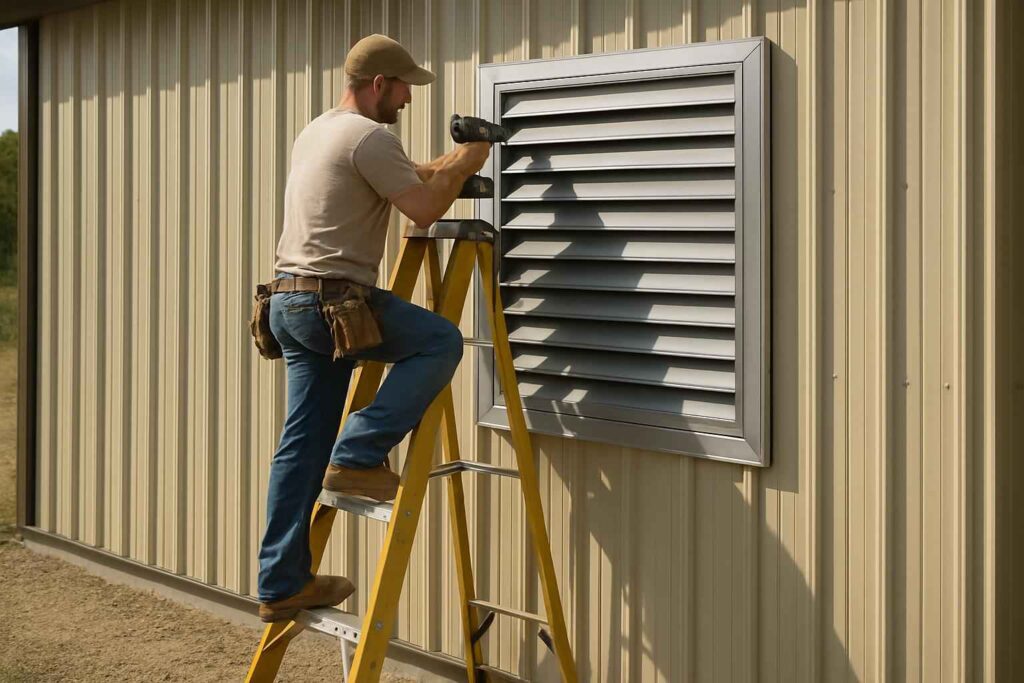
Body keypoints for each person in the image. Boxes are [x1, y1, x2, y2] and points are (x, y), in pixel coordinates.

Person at [255, 34, 491, 623]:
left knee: (301, 446)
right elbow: (424, 208)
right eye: (404, 86)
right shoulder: (370, 136)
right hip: (333, 305)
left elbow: (409, 176)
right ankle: (360, 454)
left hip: (288, 302)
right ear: (379, 83)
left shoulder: (320, 131)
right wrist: (470, 161)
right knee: (439, 341)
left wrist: (450, 162)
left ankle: (281, 583)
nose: (408, 98)